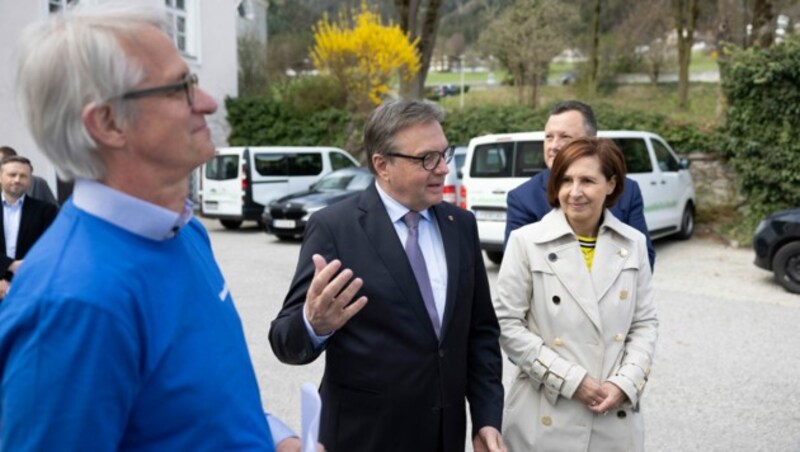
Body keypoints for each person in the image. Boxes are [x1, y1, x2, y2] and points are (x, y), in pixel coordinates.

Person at [0, 3, 313, 451]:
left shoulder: (184, 231)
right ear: (107, 122)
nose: (207, 102)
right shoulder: (71, 302)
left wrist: (276, 439)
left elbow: (195, 403)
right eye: (180, 89)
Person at [269, 99, 506, 452]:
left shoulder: (461, 226)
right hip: (363, 439)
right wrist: (313, 323)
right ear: (382, 165)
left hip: (445, 437)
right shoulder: (335, 227)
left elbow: (481, 333)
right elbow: (284, 341)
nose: (443, 169)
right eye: (427, 158)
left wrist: (487, 418)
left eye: (445, 154)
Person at [494, 137, 658, 451]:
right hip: (545, 413)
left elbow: (644, 323)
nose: (575, 191)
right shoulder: (526, 242)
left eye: (587, 180)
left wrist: (625, 383)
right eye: (566, 180)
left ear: (611, 184)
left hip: (613, 416)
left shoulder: (633, 243)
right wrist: (571, 381)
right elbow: (507, 324)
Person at [504, 100, 656, 269]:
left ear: (591, 141)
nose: (553, 146)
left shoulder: (628, 190)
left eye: (565, 137)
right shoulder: (523, 197)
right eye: (549, 137)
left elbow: (644, 257)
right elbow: (517, 266)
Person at [0, 156, 58, 299]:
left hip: (32, 288)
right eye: (12, 175)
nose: (17, 180)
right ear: (1, 176)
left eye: (23, 176)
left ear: (30, 180)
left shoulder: (46, 211)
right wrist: (9, 265)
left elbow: (52, 248)